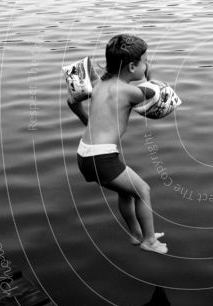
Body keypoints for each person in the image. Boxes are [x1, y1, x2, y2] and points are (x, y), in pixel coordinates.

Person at [68, 34, 167, 254]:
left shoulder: (97, 84)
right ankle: (150, 241)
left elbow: (71, 101)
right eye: (145, 61)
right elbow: (156, 94)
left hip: (84, 154)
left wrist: (87, 121)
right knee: (143, 190)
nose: (146, 64)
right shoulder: (129, 92)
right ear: (133, 66)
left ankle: (136, 234)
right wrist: (152, 77)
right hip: (102, 159)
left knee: (126, 192)